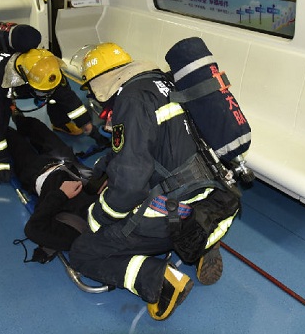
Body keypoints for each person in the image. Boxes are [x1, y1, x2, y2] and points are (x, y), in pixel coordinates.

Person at [68, 43, 230, 321]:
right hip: (211, 197)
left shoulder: (130, 101)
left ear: (99, 84)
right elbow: (161, 142)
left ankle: (161, 280)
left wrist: (100, 215)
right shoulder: (164, 82)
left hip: (168, 215)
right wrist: (108, 163)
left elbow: (131, 185)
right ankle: (203, 240)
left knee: (83, 253)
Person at [0, 36, 102, 185]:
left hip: (21, 81)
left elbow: (68, 99)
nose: (45, 94)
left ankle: (60, 123)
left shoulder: (46, 67)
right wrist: (1, 161)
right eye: (42, 92)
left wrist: (88, 127)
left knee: (58, 95)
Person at [6, 113, 106, 255]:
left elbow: (33, 229)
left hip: (38, 172)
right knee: (35, 126)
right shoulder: (121, 207)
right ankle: (15, 114)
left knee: (9, 137)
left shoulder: (75, 235)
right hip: (67, 161)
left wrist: (61, 195)